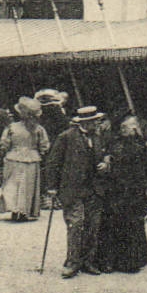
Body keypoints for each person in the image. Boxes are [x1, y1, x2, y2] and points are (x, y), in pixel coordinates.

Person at [47, 105, 108, 278]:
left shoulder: (98, 137)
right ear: (85, 122)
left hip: (94, 189)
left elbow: (104, 156)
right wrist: (52, 187)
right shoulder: (66, 137)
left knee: (92, 226)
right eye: (94, 121)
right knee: (76, 225)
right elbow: (53, 162)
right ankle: (72, 263)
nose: (97, 124)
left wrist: (105, 163)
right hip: (72, 189)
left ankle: (88, 262)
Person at [95, 114, 147, 273]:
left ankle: (131, 262)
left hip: (133, 191)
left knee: (132, 225)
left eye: (126, 127)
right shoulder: (115, 141)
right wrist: (107, 159)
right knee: (112, 224)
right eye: (122, 127)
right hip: (115, 189)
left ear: (135, 128)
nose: (123, 129)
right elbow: (109, 155)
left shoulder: (144, 145)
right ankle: (110, 261)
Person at [0, 96, 50, 221]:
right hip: (32, 159)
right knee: (28, 186)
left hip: (13, 158)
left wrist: (5, 152)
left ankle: (14, 209)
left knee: (13, 185)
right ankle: (25, 211)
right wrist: (38, 152)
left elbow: (4, 144)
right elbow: (44, 146)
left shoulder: (12, 127)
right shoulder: (38, 129)